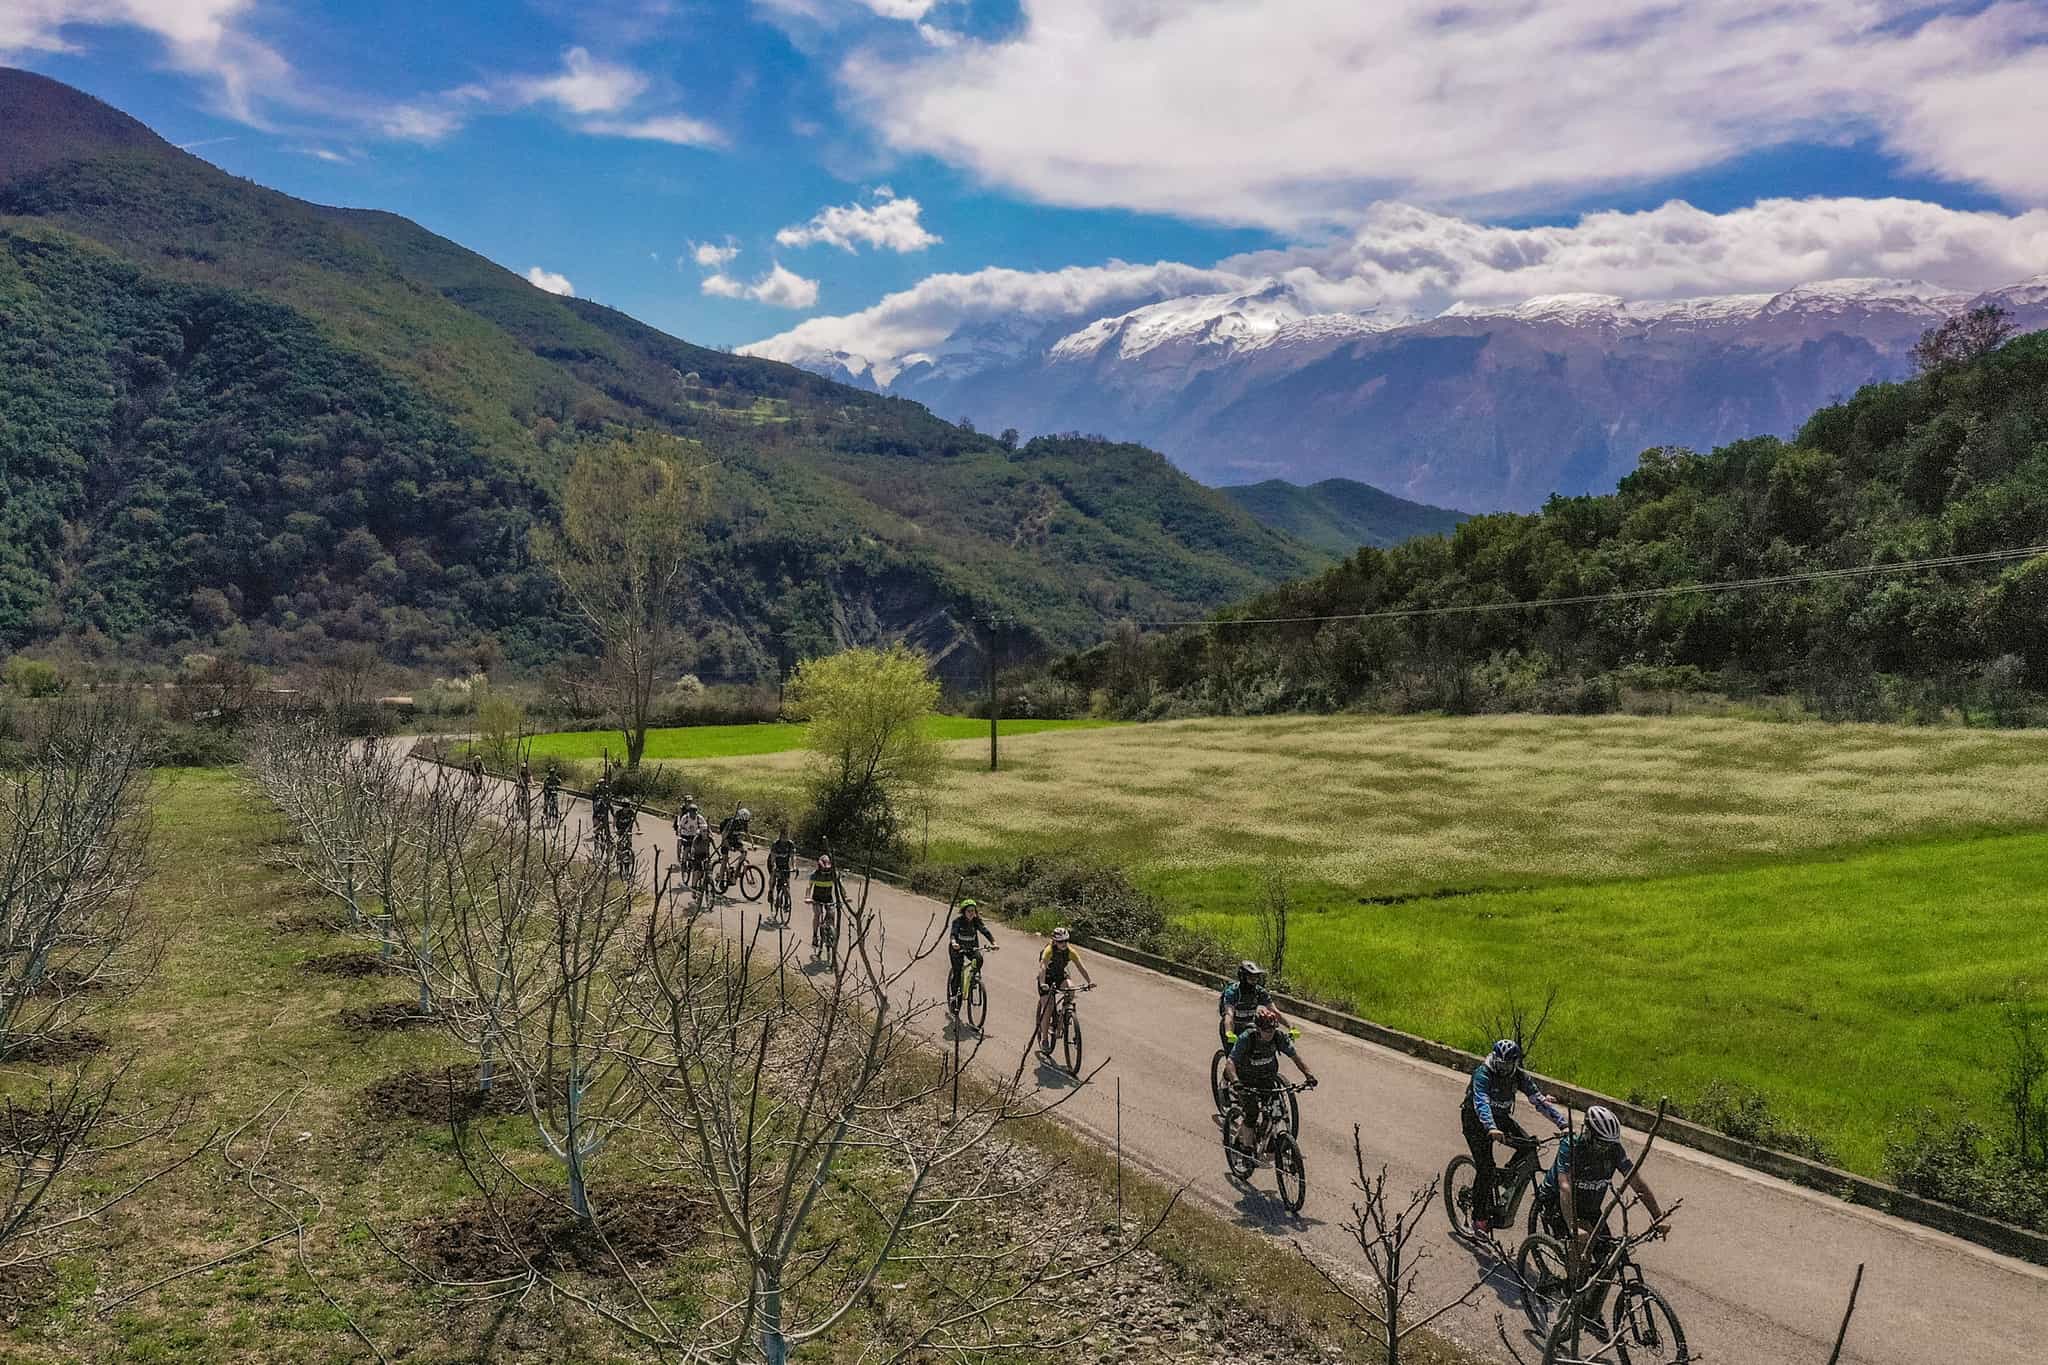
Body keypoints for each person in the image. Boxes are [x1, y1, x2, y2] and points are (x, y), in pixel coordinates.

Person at [1461, 1039, 1567, 1235]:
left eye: (1507, 1065)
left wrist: (1563, 1124)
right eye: (1500, 1064)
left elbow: (1538, 1101)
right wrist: (1491, 1127)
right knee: (1485, 1168)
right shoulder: (1483, 1074)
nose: (1503, 1069)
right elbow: (1481, 1102)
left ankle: (1505, 1177)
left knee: (1529, 1146)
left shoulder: (1519, 1076)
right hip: (1475, 1121)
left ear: (1515, 1063)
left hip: (1499, 1118)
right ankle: (1479, 1219)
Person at [1546, 1105, 1667, 1260]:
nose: (1606, 1149)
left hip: (1589, 1206)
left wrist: (1658, 1217)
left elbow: (1637, 1183)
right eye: (1602, 1144)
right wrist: (1572, 1226)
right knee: (1579, 1255)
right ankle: (1568, 1282)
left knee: (1608, 1255)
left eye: (1610, 1144)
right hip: (1558, 1202)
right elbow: (1564, 1186)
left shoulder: (1614, 1149)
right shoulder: (1570, 1146)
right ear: (1588, 1133)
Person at [1222, 1005, 1318, 1154]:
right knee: (1252, 1113)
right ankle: (1245, 1147)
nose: (1270, 1034)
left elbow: (1295, 1057)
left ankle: (1267, 1137)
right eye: (1267, 1031)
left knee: (1275, 1111)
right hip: (1245, 1081)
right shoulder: (1247, 1038)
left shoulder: (1278, 1037)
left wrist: (1309, 1075)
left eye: (1272, 1030)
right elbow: (1230, 1063)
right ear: (1258, 1029)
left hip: (1266, 1078)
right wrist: (1235, 1082)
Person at [1033, 927, 1094, 1057]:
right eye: (1061, 942)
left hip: (1060, 976)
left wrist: (1089, 981)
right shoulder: (1048, 951)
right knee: (1048, 1008)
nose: (1064, 944)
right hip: (1047, 979)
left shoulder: (1070, 951)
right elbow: (1043, 967)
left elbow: (1080, 965)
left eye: (1066, 941)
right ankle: (1044, 1039)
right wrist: (1043, 983)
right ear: (1054, 941)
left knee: (1071, 989)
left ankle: (1065, 1014)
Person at [946, 899, 997, 1014]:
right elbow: (953, 934)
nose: (971, 913)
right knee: (958, 973)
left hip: (971, 948)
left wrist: (993, 943)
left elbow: (985, 931)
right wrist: (954, 943)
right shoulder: (957, 922)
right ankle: (954, 997)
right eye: (969, 911)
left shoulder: (976, 921)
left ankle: (973, 979)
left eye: (973, 911)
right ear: (964, 912)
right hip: (957, 949)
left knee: (979, 958)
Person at [1218, 960, 1285, 1044]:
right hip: (1233, 1027)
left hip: (1249, 1027)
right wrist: (1229, 1033)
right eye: (1251, 978)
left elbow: (1275, 1011)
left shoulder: (1259, 991)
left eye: (1256, 978)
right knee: (1234, 1055)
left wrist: (1291, 1027)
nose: (1254, 981)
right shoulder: (1233, 991)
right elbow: (1229, 1014)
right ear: (1243, 977)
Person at [809, 855, 838, 948]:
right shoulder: (814, 874)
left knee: (832, 913)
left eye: (827, 869)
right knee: (817, 914)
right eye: (823, 869)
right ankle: (814, 936)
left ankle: (830, 931)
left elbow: (841, 886)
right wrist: (807, 897)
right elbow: (809, 887)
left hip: (828, 898)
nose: (825, 871)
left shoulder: (834, 874)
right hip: (817, 898)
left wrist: (845, 897)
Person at [768, 826, 796, 915]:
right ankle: (770, 891)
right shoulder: (775, 844)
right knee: (773, 875)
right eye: (784, 836)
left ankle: (786, 902)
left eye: (787, 836)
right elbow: (772, 858)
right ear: (780, 836)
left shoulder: (790, 844)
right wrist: (774, 867)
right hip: (775, 862)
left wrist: (794, 867)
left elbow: (793, 856)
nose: (785, 838)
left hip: (785, 865)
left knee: (787, 883)